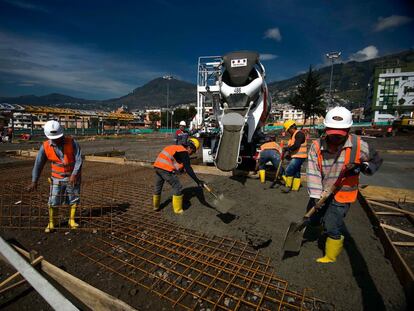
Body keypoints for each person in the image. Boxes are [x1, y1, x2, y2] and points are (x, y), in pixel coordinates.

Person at [307, 107, 382, 263]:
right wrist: (315, 196)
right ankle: (314, 232)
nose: (335, 138)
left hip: (344, 193)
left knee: (331, 224)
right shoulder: (316, 146)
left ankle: (330, 255)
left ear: (348, 130)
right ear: (326, 129)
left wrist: (363, 167)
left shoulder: (358, 145)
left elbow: (376, 160)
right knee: (313, 214)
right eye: (332, 134)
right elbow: (313, 172)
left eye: (339, 135)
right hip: (323, 189)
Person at [27, 120, 82, 233]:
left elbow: (79, 160)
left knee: (74, 199)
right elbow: (38, 164)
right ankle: (52, 222)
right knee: (53, 200)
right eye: (54, 138)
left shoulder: (72, 142)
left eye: (58, 137)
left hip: (72, 177)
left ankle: (71, 220)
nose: (56, 139)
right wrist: (34, 181)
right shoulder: (45, 146)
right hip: (56, 178)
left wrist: (74, 175)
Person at [153, 137, 205, 214]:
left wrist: (181, 169)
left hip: (157, 166)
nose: (191, 154)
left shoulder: (176, 148)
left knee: (158, 186)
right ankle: (178, 210)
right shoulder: (184, 152)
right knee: (177, 186)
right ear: (190, 147)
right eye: (193, 151)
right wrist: (198, 181)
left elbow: (174, 160)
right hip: (165, 169)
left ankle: (156, 206)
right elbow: (188, 168)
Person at [280, 120, 307, 193]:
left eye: (288, 130)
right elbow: (293, 146)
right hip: (296, 156)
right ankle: (295, 188)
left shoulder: (299, 134)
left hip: (300, 156)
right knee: (296, 173)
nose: (288, 132)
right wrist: (289, 154)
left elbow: (296, 145)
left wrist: (287, 149)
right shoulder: (294, 135)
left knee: (289, 171)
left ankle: (288, 186)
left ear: (292, 127)